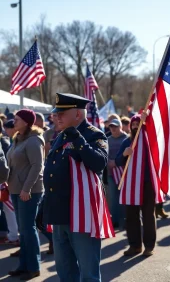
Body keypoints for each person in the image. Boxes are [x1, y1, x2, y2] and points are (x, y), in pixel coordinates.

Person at [43, 93, 109, 282]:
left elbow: (98, 164)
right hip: (58, 212)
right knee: (65, 271)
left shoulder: (94, 134)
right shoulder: (59, 135)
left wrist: (78, 138)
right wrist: (44, 205)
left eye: (62, 113)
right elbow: (52, 170)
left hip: (82, 214)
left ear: (78, 115)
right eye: (56, 113)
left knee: (88, 273)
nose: (56, 117)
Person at [116, 113, 161, 257]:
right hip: (131, 184)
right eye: (133, 125)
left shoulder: (150, 140)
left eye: (138, 124)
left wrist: (147, 120)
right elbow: (117, 161)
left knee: (148, 216)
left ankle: (149, 246)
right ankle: (135, 246)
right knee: (131, 216)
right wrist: (124, 154)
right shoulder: (126, 141)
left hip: (147, 184)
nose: (136, 126)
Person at [7, 109, 44, 280]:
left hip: (29, 191)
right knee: (23, 230)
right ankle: (24, 265)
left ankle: (34, 267)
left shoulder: (34, 140)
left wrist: (26, 189)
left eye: (17, 119)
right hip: (15, 189)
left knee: (28, 229)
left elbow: (37, 166)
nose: (13, 121)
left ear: (27, 122)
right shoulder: (17, 139)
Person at [107, 118, 127, 228]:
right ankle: (114, 220)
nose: (113, 129)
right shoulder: (107, 140)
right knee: (113, 197)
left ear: (120, 126)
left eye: (115, 126)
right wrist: (109, 162)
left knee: (124, 196)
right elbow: (104, 154)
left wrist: (116, 162)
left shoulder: (126, 139)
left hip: (124, 173)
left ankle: (125, 218)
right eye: (111, 126)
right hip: (111, 173)